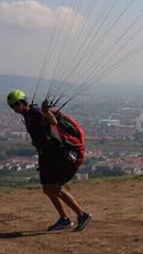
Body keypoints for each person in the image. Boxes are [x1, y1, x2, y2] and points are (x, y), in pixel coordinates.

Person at [7, 89, 91, 231]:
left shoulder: (36, 113)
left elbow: (54, 122)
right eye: (13, 106)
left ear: (23, 102)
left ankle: (82, 214)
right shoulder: (27, 115)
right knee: (47, 188)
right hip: (45, 155)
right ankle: (64, 219)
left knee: (55, 187)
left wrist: (46, 111)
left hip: (54, 154)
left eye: (17, 104)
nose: (15, 108)